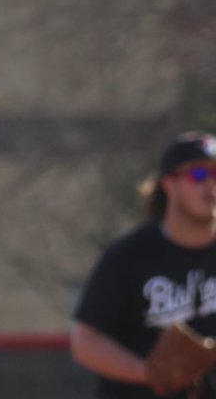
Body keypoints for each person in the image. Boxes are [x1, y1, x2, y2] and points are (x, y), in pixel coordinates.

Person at [71, 130, 216, 398]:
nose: (211, 184)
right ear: (169, 184)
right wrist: (145, 371)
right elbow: (85, 341)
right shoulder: (129, 255)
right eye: (199, 174)